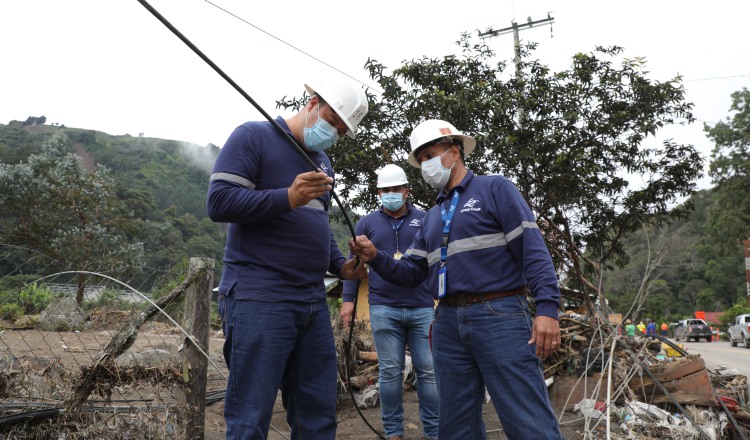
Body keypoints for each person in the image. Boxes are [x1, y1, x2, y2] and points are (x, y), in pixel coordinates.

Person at [350, 119, 564, 439]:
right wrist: (375, 258)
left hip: (499, 315)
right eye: (420, 161)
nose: (425, 165)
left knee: (526, 418)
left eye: (430, 156)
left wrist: (547, 308)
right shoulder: (432, 216)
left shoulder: (495, 189)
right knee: (456, 425)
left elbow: (532, 250)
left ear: (453, 152)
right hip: (448, 321)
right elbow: (411, 273)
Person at [207, 79, 369, 440]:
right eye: (332, 119)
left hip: (310, 302)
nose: (334, 133)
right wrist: (286, 197)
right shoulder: (253, 137)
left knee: (318, 415)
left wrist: (340, 266)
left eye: (342, 130)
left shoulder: (322, 161)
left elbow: (317, 225)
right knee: (250, 417)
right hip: (259, 298)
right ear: (312, 103)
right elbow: (218, 202)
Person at [340, 164, 438, 440]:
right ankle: (394, 432)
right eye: (386, 190)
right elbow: (355, 266)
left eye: (396, 189)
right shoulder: (366, 223)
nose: (391, 194)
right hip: (383, 306)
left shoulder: (426, 219)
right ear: (378, 193)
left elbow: (436, 260)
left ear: (407, 191)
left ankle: (435, 431)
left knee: (429, 372)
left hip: (422, 307)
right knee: (391, 373)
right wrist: (348, 300)